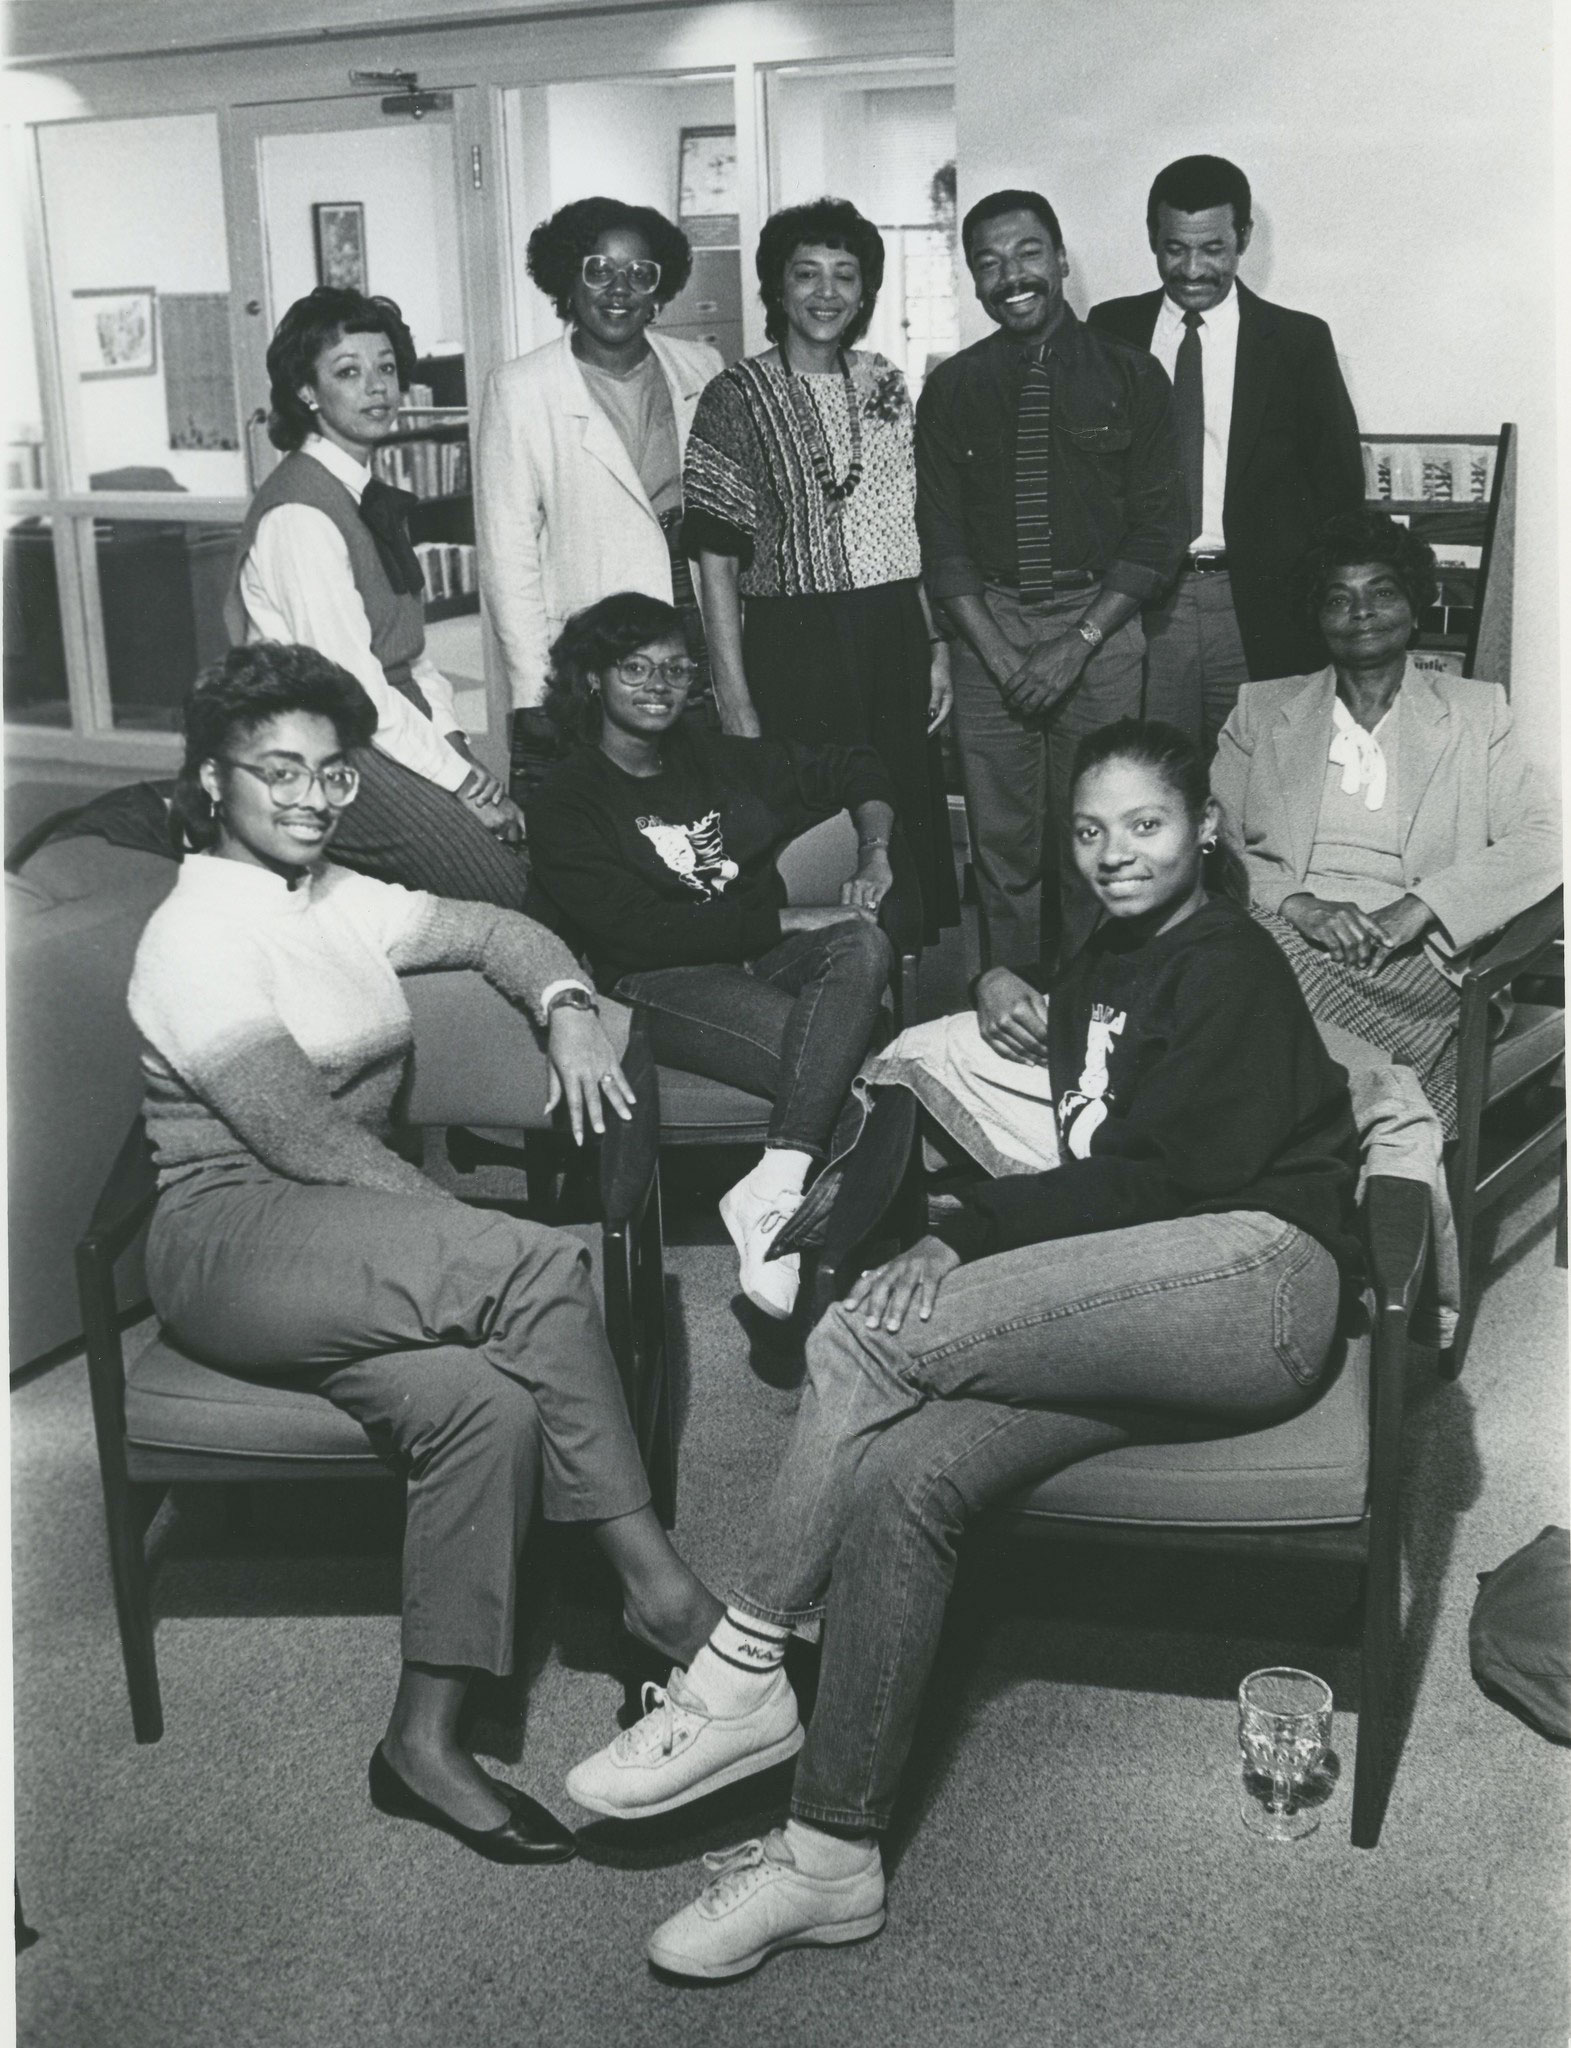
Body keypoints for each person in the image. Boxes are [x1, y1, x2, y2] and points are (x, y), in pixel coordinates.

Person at [563, 717, 1364, 1978]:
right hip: (1153, 1301)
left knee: (866, 1339)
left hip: (1259, 1276)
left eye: (1145, 825)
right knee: (904, 1479)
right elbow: (1089, 1124)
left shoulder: (1228, 959)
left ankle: (739, 1666)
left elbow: (1168, 1178)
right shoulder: (1103, 958)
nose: (1112, 854)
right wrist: (1001, 990)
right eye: (1089, 831)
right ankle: (830, 1858)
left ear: (1204, 828)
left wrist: (967, 1233)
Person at [129, 642, 722, 1863]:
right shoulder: (195, 931)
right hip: (230, 1230)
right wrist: (463, 1245)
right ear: (210, 780)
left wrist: (563, 1008)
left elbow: (507, 929)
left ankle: (423, 1742)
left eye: (333, 773)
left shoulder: (335, 895)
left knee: (482, 1403)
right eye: (275, 770)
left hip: (335, 1228)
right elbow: (301, 1138)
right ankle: (661, 1599)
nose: (307, 796)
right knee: (529, 1267)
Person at [524, 592, 898, 1322]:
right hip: (657, 983)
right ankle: (835, 1292)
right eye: (634, 667)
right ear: (592, 679)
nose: (658, 684)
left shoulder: (717, 759)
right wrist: (787, 916)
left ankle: (774, 1184)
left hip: (760, 957)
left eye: (674, 667)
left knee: (862, 938)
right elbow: (636, 933)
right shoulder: (566, 798)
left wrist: (874, 852)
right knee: (860, 1080)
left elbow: (857, 765)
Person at [1211, 509, 1561, 1136]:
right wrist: (1298, 904)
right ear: (1317, 618)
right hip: (1282, 931)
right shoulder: (1260, 711)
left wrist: (1420, 907)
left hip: (1421, 958)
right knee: (1249, 960)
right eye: (1338, 599)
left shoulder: (1478, 714)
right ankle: (1352, 1129)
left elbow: (1545, 841)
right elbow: (1212, 847)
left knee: (1235, 980)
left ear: (1415, 607)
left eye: (1382, 592)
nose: (1362, 611)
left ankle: (1280, 1142)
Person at [916, 188, 1188, 974]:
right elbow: (942, 539)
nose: (1011, 276)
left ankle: (1087, 1016)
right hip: (987, 626)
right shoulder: (953, 389)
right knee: (1001, 850)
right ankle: (1001, 1017)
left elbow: (1158, 529)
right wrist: (1002, 660)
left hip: (1097, 628)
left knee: (1097, 841)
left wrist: (1074, 644)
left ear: (1062, 260)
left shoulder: (1132, 376)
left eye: (1027, 253)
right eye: (988, 264)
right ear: (973, 282)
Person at [682, 197, 959, 946]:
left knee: (898, 817)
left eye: (845, 274)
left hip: (893, 635)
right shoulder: (733, 397)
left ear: (865, 290)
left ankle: (896, 995)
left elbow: (913, 525)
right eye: (806, 274)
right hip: (793, 645)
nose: (826, 292)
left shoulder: (886, 383)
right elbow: (714, 557)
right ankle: (830, 998)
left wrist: (935, 645)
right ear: (776, 288)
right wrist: (732, 696)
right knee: (814, 829)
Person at [226, 287, 529, 907]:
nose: (377, 387)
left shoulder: (364, 493)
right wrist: (464, 786)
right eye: (348, 371)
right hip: (321, 745)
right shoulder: (300, 516)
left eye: (386, 368)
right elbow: (356, 690)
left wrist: (457, 755)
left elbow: (412, 655)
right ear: (306, 392)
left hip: (380, 723)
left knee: (520, 846)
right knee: (504, 885)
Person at [1089, 155, 1365, 751]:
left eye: (1213, 248)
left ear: (1243, 238)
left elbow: (1339, 493)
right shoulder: (1109, 330)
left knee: (1258, 789)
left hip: (1259, 609)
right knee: (1152, 785)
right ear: (1152, 239)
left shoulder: (1297, 342)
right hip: (1139, 607)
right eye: (1174, 249)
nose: (1192, 269)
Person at [474, 198, 724, 799]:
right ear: (568, 277)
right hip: (589, 644)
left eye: (641, 274)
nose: (620, 289)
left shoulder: (704, 366)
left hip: (689, 615)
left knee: (694, 802)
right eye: (599, 269)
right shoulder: (520, 388)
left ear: (659, 288)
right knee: (594, 815)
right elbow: (507, 555)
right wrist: (532, 688)